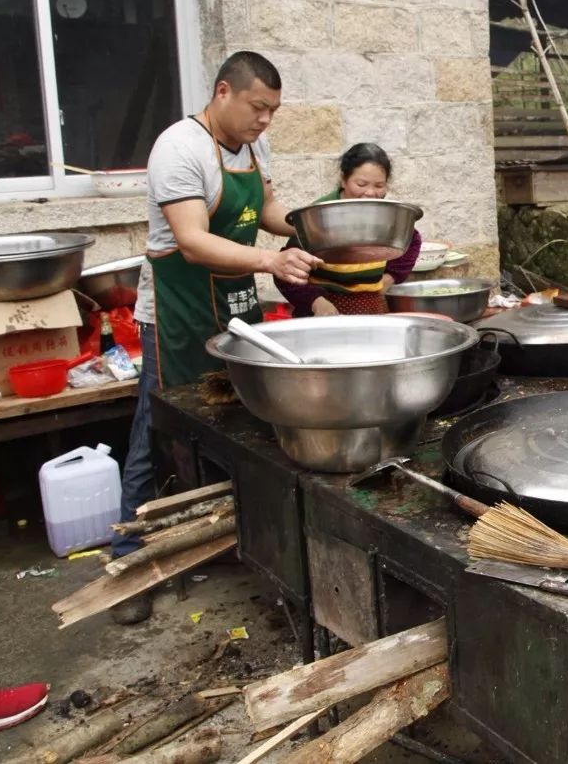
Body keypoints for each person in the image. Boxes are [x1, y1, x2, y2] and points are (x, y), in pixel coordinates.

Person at [111, 51, 321, 625]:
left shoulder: (252, 146)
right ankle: (130, 561)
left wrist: (315, 224)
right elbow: (192, 241)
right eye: (258, 108)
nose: (265, 121)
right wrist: (271, 262)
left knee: (242, 420)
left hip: (234, 305)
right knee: (156, 431)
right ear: (224, 91)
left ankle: (231, 539)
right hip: (177, 310)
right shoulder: (179, 148)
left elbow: (267, 207)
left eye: (273, 111)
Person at [275, 143, 422, 316]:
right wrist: (316, 301)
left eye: (379, 185)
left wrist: (391, 277)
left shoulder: (386, 214)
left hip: (371, 309)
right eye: (361, 184)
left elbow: (412, 239)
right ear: (344, 180)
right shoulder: (318, 216)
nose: (370, 193)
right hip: (323, 314)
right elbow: (286, 272)